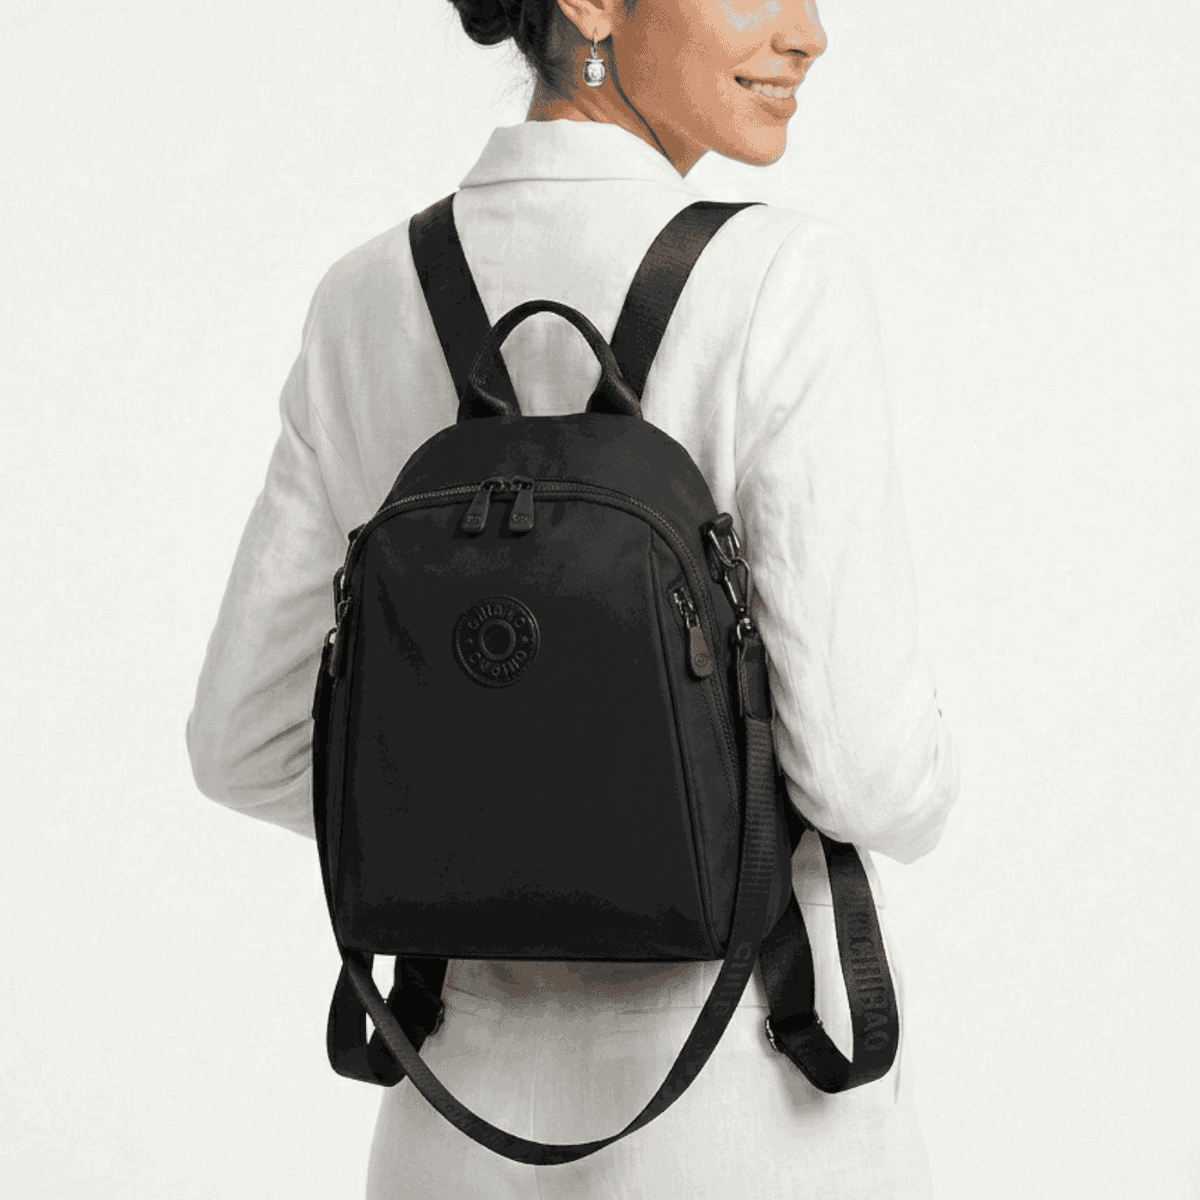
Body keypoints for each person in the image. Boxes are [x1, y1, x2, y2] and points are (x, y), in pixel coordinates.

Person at [187, 0, 960, 1194]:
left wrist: (485, 828)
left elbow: (243, 744)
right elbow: (868, 774)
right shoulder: (781, 277)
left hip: (452, 1114)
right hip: (747, 1097)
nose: (809, 33)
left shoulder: (368, 293)